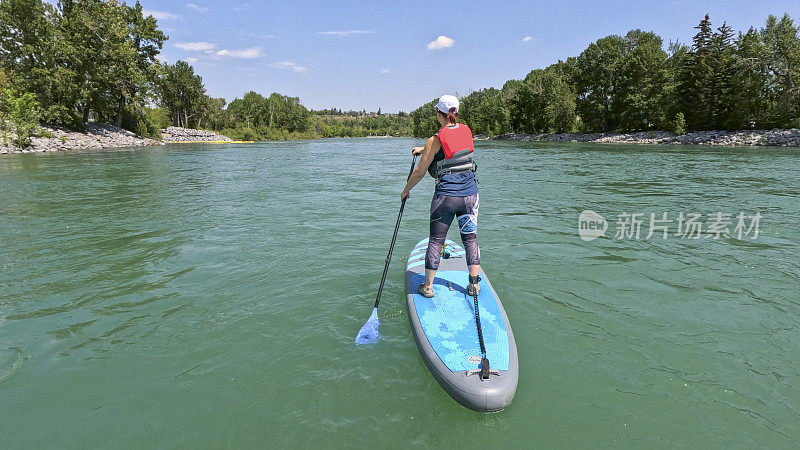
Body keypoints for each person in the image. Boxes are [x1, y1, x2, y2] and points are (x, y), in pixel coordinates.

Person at [401, 95, 481, 298]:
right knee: (470, 239)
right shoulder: (466, 131)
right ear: (456, 113)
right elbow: (452, 149)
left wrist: (406, 190)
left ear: (440, 114)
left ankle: (428, 287)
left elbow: (420, 171)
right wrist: (423, 149)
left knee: (436, 241)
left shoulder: (434, 140)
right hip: (470, 196)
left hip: (445, 198)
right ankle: (474, 285)